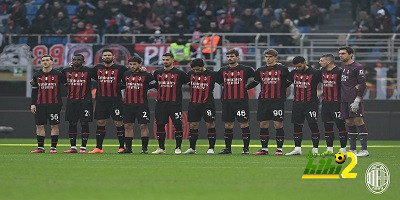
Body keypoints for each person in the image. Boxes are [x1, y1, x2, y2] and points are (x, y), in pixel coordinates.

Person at [246, 49, 289, 155]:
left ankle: (279, 149)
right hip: (263, 101)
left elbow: (289, 81)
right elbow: (255, 82)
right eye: (266, 57)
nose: (268, 59)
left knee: (278, 124)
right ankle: (264, 149)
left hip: (277, 101)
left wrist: (281, 90)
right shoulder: (260, 70)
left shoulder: (283, 69)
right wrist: (244, 88)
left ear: (275, 57)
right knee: (263, 124)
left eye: (270, 56)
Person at [88, 49, 128, 154]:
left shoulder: (121, 68)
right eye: (105, 55)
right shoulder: (97, 68)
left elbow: (130, 77)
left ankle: (121, 147)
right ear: (102, 57)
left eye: (109, 55)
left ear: (113, 56)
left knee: (118, 122)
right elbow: (86, 74)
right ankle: (98, 148)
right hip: (101, 100)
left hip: (116, 100)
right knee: (100, 122)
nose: (107, 57)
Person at [217, 49, 255, 154]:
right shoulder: (222, 70)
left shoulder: (246, 69)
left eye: (232, 56)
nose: (230, 58)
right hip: (227, 102)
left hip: (241, 102)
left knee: (244, 124)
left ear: (237, 57)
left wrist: (248, 86)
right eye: (228, 56)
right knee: (228, 125)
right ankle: (228, 149)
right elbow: (219, 81)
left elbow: (258, 77)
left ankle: (246, 149)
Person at [152, 53, 189, 154]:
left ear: (173, 60)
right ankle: (161, 148)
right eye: (163, 59)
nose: (165, 61)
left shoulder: (180, 73)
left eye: (167, 59)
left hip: (175, 104)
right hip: (161, 104)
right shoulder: (157, 73)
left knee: (177, 125)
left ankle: (178, 148)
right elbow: (154, 85)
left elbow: (189, 83)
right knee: (160, 125)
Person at [286, 56, 322, 155]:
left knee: (313, 125)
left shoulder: (315, 72)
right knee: (297, 126)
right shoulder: (293, 73)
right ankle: (297, 149)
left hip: (311, 103)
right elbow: (286, 83)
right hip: (297, 103)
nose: (297, 68)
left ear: (305, 62)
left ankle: (315, 149)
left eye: (299, 66)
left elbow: (326, 83)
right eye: (296, 67)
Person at [120, 56, 155, 154]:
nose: (132, 66)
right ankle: (128, 148)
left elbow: (154, 85)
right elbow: (122, 85)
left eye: (134, 64)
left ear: (140, 64)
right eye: (130, 64)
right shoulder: (126, 74)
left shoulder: (147, 75)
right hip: (127, 105)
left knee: (143, 125)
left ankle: (144, 148)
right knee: (127, 125)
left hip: (141, 104)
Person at [184, 58, 220, 154]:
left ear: (203, 66)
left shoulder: (212, 74)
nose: (196, 71)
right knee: (193, 125)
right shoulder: (190, 74)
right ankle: (192, 148)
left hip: (207, 104)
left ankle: (211, 148)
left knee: (210, 124)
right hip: (193, 103)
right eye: (194, 69)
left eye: (198, 69)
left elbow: (223, 83)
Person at [338, 46, 369, 156]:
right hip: (344, 99)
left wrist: (357, 99)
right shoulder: (343, 67)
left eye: (343, 53)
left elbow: (362, 83)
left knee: (358, 121)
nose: (341, 55)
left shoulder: (357, 67)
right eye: (340, 54)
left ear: (350, 54)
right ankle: (352, 149)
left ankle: (364, 150)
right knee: (349, 122)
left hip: (354, 99)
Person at [30, 55, 63, 153]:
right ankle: (40, 148)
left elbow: (67, 83)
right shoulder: (36, 75)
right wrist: (33, 104)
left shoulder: (58, 74)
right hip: (40, 104)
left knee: (54, 125)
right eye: (43, 60)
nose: (45, 62)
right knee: (39, 125)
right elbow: (34, 91)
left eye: (47, 60)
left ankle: (53, 148)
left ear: (52, 62)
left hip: (55, 104)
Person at [62, 54, 93, 153]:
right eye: (74, 59)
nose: (76, 61)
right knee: (72, 123)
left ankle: (83, 147)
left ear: (83, 61)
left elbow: (100, 77)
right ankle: (73, 147)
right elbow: (57, 77)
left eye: (78, 60)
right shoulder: (66, 71)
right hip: (71, 102)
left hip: (85, 102)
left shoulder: (88, 71)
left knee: (84, 123)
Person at [319, 54, 347, 154]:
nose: (320, 62)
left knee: (340, 125)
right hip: (325, 104)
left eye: (321, 61)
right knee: (327, 126)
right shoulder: (322, 71)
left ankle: (343, 149)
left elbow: (345, 87)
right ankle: (329, 149)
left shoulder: (339, 72)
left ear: (328, 62)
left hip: (337, 103)